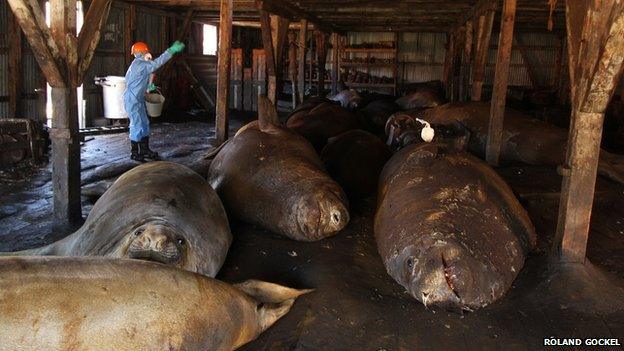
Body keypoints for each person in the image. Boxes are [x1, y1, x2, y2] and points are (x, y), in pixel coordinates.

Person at [124, 40, 185, 162]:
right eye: (145, 51)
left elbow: (141, 78)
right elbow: (157, 63)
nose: (147, 52)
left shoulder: (138, 64)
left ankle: (145, 149)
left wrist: (148, 86)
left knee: (144, 123)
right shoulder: (140, 65)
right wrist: (170, 51)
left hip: (137, 99)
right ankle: (134, 152)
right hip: (132, 100)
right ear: (141, 53)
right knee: (137, 124)